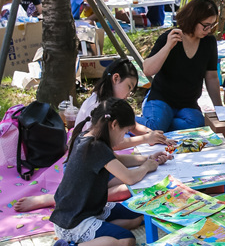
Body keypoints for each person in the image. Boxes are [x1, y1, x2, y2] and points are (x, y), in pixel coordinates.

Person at [15, 60, 171, 214]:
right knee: (130, 186)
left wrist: (149, 153)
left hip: (101, 164)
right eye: (129, 87)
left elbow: (117, 151)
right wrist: (146, 146)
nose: (129, 94)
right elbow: (118, 154)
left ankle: (65, 198)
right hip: (85, 171)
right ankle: (56, 199)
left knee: (137, 179)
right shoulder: (99, 110)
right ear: (116, 78)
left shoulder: (111, 105)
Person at [29, 99, 168, 246]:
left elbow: (116, 160)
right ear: (114, 124)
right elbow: (129, 178)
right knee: (126, 240)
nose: (123, 138)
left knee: (137, 214)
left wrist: (147, 159)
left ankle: (98, 232)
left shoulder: (89, 137)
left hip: (88, 208)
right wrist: (147, 167)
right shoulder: (96, 146)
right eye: (124, 132)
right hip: (73, 220)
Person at [142, 0, 222, 132]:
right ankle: (127, 122)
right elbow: (148, 70)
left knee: (198, 125)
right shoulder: (171, 37)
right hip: (162, 98)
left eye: (212, 25)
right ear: (193, 19)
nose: (208, 30)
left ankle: (163, 125)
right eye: (206, 25)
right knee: (156, 125)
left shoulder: (209, 42)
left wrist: (220, 109)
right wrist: (167, 47)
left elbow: (212, 77)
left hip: (188, 103)